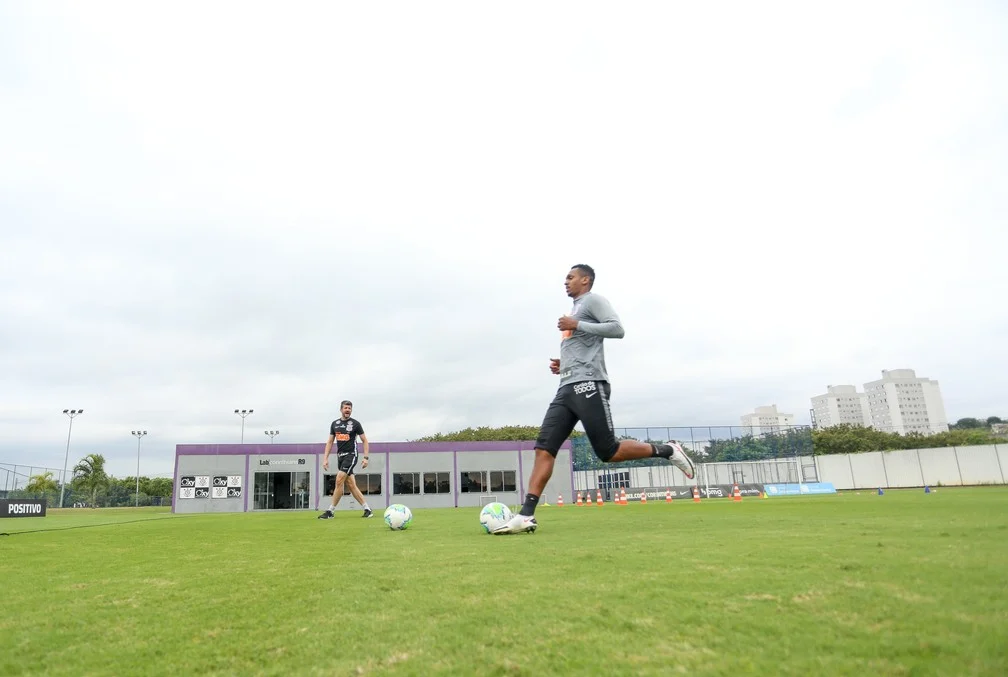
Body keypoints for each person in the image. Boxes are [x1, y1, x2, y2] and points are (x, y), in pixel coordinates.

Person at [493, 264, 696, 534]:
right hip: (566, 387)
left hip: (589, 384)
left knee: (608, 451)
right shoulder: (575, 309)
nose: (565, 281)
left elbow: (617, 329)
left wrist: (576, 324)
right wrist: (562, 364)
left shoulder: (593, 301)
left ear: (585, 280)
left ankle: (668, 450)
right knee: (544, 448)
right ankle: (527, 515)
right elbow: (581, 347)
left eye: (571, 277)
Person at [317, 400, 374, 519]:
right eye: (345, 408)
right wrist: (325, 459)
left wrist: (366, 458)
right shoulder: (334, 424)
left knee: (339, 480)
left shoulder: (355, 424)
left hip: (351, 455)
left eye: (349, 408)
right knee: (351, 485)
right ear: (341, 409)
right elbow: (330, 441)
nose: (347, 410)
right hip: (340, 457)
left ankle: (330, 511)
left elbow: (365, 441)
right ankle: (367, 509)